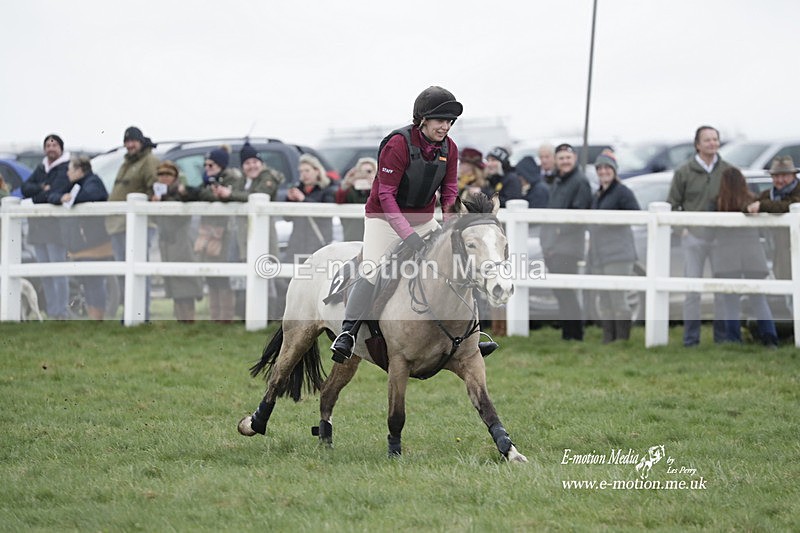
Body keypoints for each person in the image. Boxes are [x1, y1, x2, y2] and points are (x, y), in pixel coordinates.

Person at [331, 85, 462, 362]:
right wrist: (407, 235)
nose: (446, 126)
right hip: (383, 219)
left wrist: (450, 227)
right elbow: (385, 195)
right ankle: (347, 333)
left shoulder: (450, 148)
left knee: (456, 262)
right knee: (373, 269)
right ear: (423, 119)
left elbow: (449, 191)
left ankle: (469, 336)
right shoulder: (398, 144)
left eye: (450, 121)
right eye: (441, 120)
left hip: (424, 219)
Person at [666, 125, 731, 347]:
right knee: (692, 291)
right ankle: (690, 340)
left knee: (721, 291)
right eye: (707, 140)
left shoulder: (729, 171)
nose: (712, 143)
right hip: (693, 238)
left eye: (715, 139)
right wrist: (681, 230)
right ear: (697, 144)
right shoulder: (683, 172)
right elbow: (672, 205)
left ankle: (722, 339)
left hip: (721, 240)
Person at [712, 167, 778, 346]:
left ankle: (733, 339)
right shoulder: (752, 200)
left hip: (727, 256)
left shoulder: (719, 203)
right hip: (752, 254)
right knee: (759, 299)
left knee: (730, 302)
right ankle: (770, 339)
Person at [180, 145, 242, 323]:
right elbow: (202, 193)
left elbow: (217, 196)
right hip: (208, 232)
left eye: (211, 165)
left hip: (226, 233)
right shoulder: (209, 180)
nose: (207, 169)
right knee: (211, 277)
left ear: (221, 165)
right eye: (206, 165)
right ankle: (215, 318)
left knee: (223, 277)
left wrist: (202, 192)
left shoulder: (232, 178)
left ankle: (226, 318)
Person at [105, 126, 160, 321]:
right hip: (118, 225)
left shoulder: (149, 161)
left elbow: (156, 190)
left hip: (138, 226)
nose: (129, 145)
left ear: (141, 142)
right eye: (126, 141)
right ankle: (130, 312)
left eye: (133, 141)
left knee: (138, 272)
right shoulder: (126, 163)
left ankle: (140, 314)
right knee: (124, 273)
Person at [540, 143, 593, 341]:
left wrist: (557, 231)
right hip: (553, 246)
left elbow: (580, 214)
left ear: (575, 158)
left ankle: (575, 334)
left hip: (569, 247)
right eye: (561, 158)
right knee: (561, 291)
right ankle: (567, 334)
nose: (564, 161)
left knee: (567, 291)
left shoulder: (580, 181)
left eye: (568, 158)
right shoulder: (558, 181)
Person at [587, 150, 641, 342]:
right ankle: (608, 338)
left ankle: (622, 340)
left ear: (614, 170)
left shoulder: (623, 192)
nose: (603, 171)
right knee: (605, 299)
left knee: (619, 299)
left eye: (607, 167)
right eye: (600, 168)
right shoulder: (598, 194)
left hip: (618, 254)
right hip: (600, 255)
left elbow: (636, 215)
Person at [21, 134, 71, 319]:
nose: (51, 148)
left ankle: (61, 312)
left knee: (58, 272)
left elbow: (57, 191)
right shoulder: (41, 168)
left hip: (56, 229)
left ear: (61, 148)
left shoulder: (65, 168)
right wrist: (43, 188)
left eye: (54, 145)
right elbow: (26, 188)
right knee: (44, 273)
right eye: (48, 145)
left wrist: (41, 193)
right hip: (38, 228)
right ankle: (52, 312)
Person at [53, 156, 109, 320]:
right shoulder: (79, 184)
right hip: (86, 243)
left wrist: (70, 197)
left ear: (79, 170)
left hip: (96, 243)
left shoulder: (92, 182)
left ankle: (97, 318)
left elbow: (88, 195)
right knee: (90, 282)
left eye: (70, 170)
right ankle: (94, 318)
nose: (68, 173)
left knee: (95, 282)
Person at [150, 161, 204, 323]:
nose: (164, 178)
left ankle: (189, 319)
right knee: (174, 285)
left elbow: (182, 214)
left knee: (185, 284)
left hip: (181, 242)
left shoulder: (181, 191)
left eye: (167, 175)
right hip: (167, 243)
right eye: (161, 175)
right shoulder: (157, 194)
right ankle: (181, 320)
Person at [746, 155, 800, 281]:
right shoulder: (768, 195)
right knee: (784, 284)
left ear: (793, 176)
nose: (780, 180)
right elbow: (747, 204)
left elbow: (788, 206)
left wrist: (762, 206)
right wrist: (749, 207)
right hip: (780, 253)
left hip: (796, 249)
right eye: (776, 176)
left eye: (784, 175)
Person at [284, 153, 335, 260]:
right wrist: (289, 200)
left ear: (317, 171)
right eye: (301, 171)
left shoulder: (327, 190)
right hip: (297, 243)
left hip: (317, 242)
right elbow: (287, 218)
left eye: (307, 171)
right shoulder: (298, 189)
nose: (304, 175)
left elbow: (325, 214)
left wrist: (303, 199)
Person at [335, 156, 377, 241]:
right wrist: (347, 182)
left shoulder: (378, 189)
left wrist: (375, 186)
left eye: (369, 171)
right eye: (362, 172)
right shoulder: (350, 189)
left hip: (373, 231)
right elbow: (339, 200)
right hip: (352, 231)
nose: (365, 175)